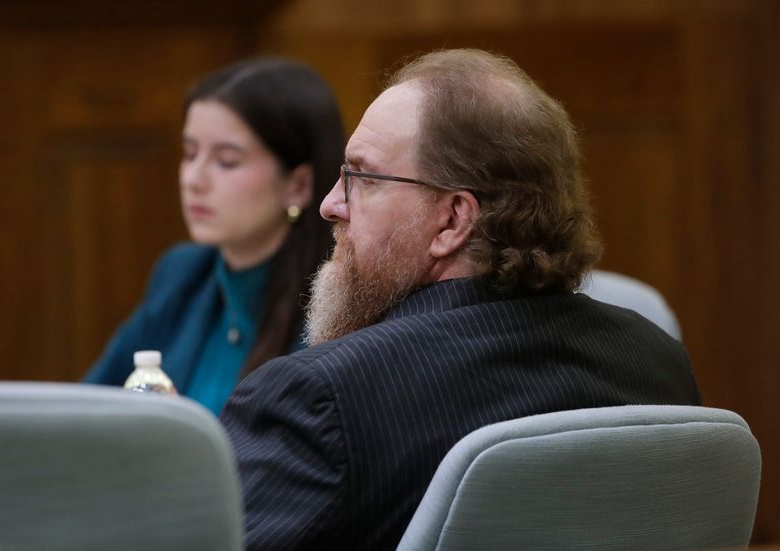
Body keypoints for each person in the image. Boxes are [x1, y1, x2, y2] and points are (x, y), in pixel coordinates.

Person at [220, 48, 701, 550]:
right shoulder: (656, 364)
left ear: (452, 220)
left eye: (363, 177)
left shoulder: (319, 400)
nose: (330, 204)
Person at [84, 58, 344, 414]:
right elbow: (85, 409)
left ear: (298, 185)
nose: (193, 179)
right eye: (190, 154)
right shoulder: (182, 274)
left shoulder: (333, 308)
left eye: (226, 161)